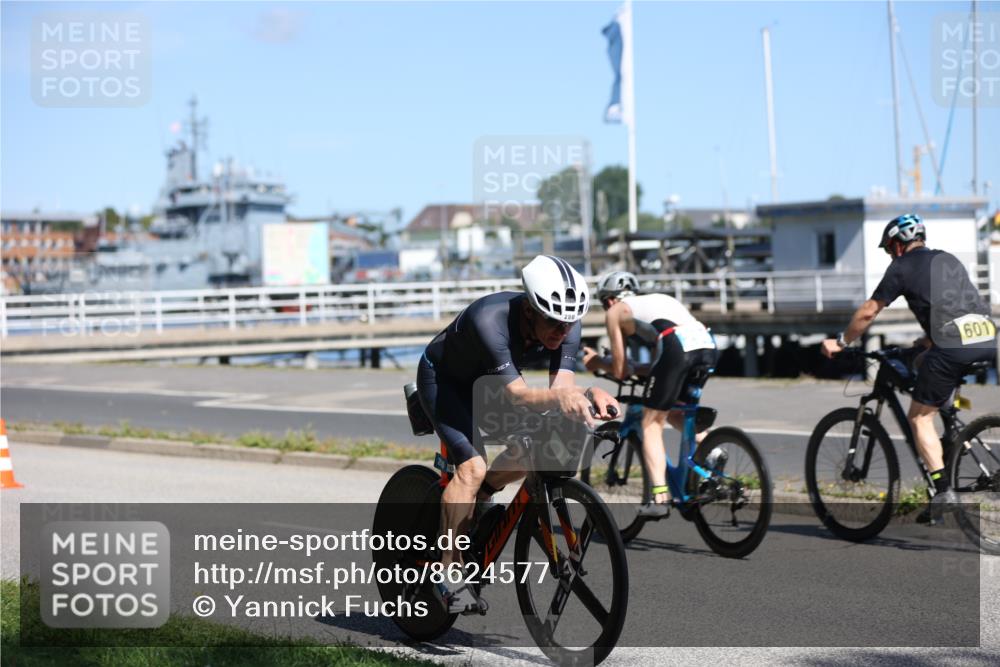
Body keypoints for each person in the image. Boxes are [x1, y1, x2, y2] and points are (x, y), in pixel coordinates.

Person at [416, 255, 619, 613]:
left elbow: (561, 389)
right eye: (554, 322)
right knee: (471, 468)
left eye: (569, 324)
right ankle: (448, 571)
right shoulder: (489, 320)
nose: (563, 331)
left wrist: (587, 398)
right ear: (529, 309)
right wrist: (579, 395)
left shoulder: (567, 325)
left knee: (537, 447)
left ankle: (483, 497)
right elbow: (520, 395)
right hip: (446, 382)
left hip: (492, 384)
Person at [821, 213, 997, 521]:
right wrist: (928, 339)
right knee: (921, 362)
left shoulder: (900, 267)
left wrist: (842, 342)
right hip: (987, 338)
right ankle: (952, 441)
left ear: (897, 245)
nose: (890, 254)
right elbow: (957, 305)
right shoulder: (947, 259)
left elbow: (867, 312)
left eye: (889, 248)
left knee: (919, 417)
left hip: (952, 346)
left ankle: (943, 490)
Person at [582, 271, 719, 518]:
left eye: (604, 303)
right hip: (706, 344)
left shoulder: (616, 311)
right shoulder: (655, 304)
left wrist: (598, 361)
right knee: (675, 411)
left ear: (610, 300)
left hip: (676, 345)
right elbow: (659, 364)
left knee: (650, 423)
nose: (606, 308)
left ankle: (659, 498)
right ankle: (713, 450)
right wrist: (635, 367)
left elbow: (621, 371)